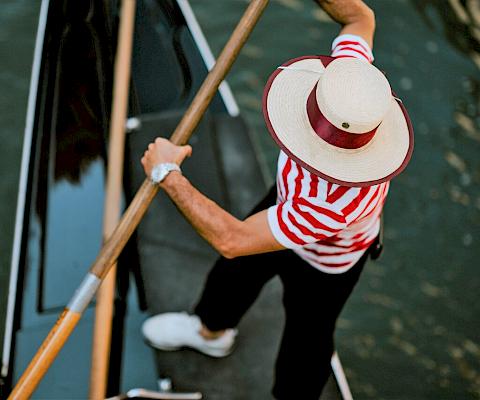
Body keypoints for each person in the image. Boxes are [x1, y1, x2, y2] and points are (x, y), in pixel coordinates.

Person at [140, 0, 414, 398]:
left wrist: (167, 174)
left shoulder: (333, 202)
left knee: (307, 342)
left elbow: (231, 239)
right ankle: (210, 332)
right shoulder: (351, 86)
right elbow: (359, 17)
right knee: (232, 277)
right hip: (289, 202)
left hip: (327, 258)